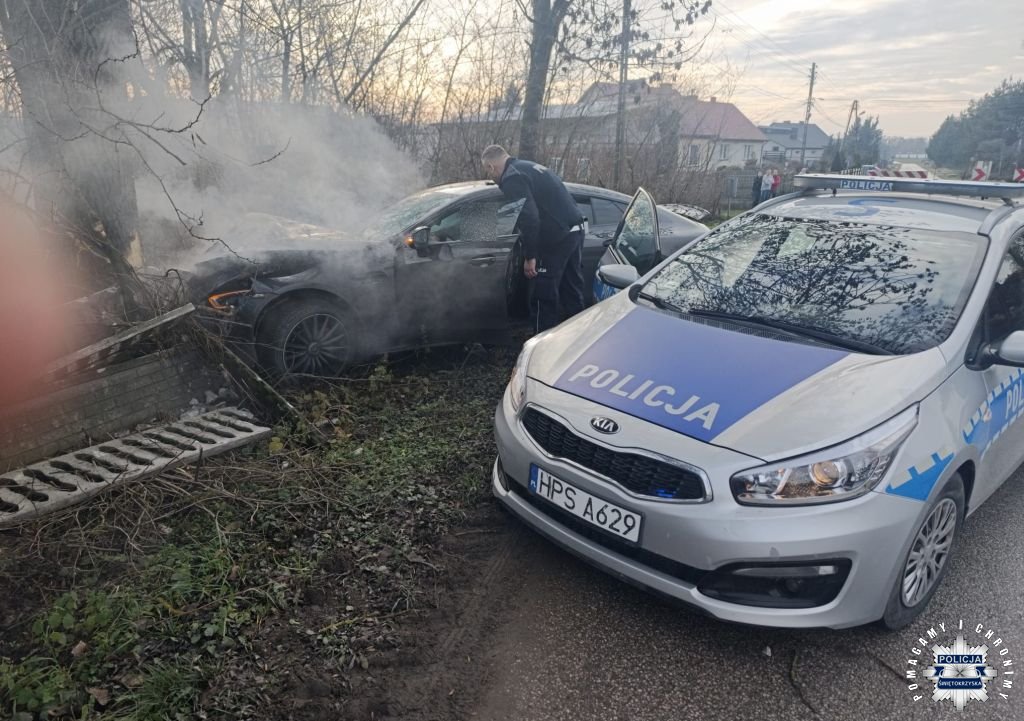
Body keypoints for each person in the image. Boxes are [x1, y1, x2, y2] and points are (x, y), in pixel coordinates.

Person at [481, 145, 587, 333]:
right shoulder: (527, 167)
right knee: (571, 292)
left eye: (488, 171)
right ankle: (580, 339)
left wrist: (530, 256)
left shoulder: (512, 179)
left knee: (542, 296)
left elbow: (529, 217)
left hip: (557, 239)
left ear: (491, 166)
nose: (491, 176)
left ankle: (542, 344)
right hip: (574, 231)